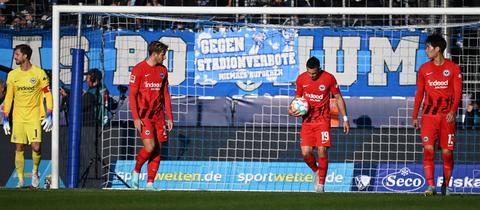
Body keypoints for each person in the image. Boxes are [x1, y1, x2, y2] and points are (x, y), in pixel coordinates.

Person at [288, 56, 350, 193]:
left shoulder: (329, 78)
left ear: (319, 69)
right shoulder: (301, 79)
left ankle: (321, 185)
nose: (312, 75)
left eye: (314, 73)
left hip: (323, 120)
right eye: (310, 73)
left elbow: (338, 98)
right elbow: (298, 99)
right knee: (306, 153)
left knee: (322, 149)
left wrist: (345, 118)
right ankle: (316, 170)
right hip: (307, 121)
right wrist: (292, 108)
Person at [412, 34, 462, 196]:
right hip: (428, 117)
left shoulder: (453, 68)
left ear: (438, 49)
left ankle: (446, 186)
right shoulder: (424, 69)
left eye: (429, 47)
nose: (426, 50)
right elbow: (419, 94)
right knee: (428, 150)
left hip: (447, 117)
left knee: (447, 152)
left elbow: (457, 92)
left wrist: (453, 111)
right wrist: (414, 116)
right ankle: (431, 186)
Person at [3, 44, 53, 188]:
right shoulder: (13, 75)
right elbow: (9, 97)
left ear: (25, 56)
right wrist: (6, 117)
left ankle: (35, 172)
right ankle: (20, 180)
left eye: (17, 54)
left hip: (34, 116)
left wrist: (49, 113)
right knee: (19, 147)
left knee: (36, 147)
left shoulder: (39, 73)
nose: (14, 57)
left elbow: (48, 94)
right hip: (18, 117)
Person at [129, 41, 173, 190]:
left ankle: (150, 183)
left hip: (159, 116)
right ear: (154, 54)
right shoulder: (139, 69)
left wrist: (170, 117)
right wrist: (135, 117)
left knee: (157, 149)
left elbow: (165, 95)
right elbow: (132, 95)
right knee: (150, 146)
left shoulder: (163, 71)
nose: (164, 57)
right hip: (144, 116)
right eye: (163, 54)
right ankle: (136, 171)